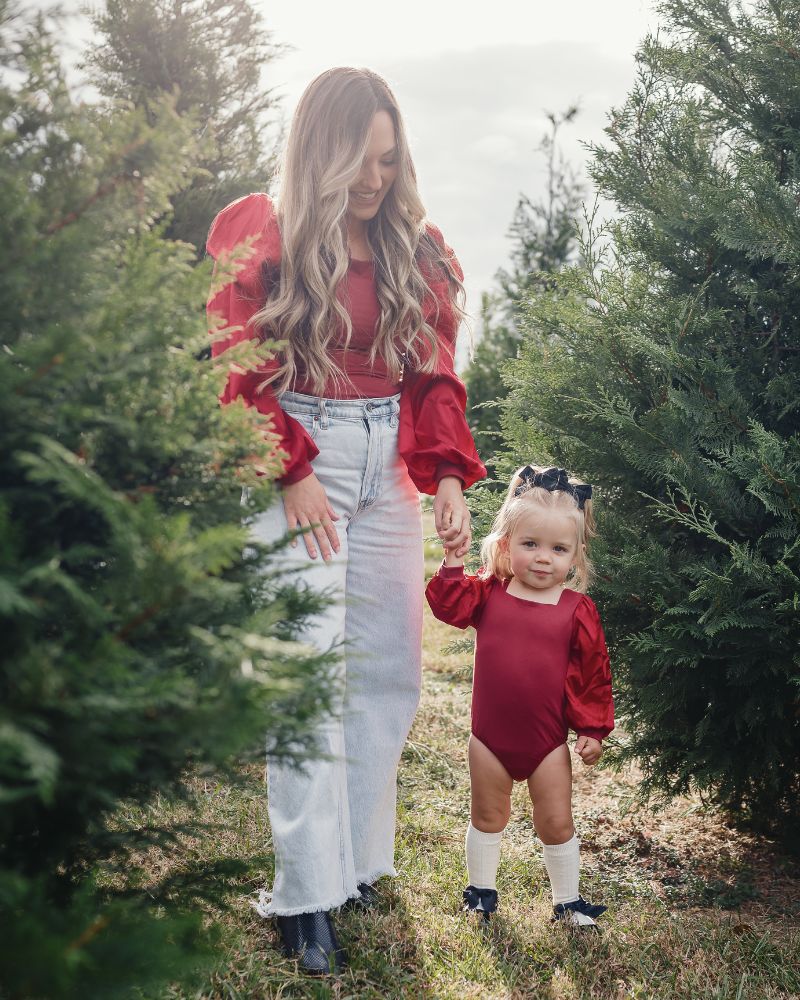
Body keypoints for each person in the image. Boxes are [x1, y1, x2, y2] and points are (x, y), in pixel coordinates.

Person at [205, 67, 485, 973]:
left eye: (388, 159)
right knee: (304, 680)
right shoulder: (265, 230)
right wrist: (289, 470)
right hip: (304, 453)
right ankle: (303, 895)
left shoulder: (414, 244)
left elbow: (432, 369)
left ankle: (360, 865)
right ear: (317, 150)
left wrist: (444, 473)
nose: (374, 180)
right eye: (358, 161)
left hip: (384, 464)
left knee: (386, 674)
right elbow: (234, 360)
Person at [426, 465, 614, 929]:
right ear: (507, 543)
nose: (544, 558)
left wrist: (592, 728)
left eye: (558, 549)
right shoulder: (489, 594)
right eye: (531, 544)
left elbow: (593, 675)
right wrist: (453, 562)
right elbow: (447, 605)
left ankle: (567, 902)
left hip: (547, 742)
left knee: (556, 822)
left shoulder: (577, 611)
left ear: (575, 556)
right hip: (488, 738)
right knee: (488, 814)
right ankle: (481, 893)